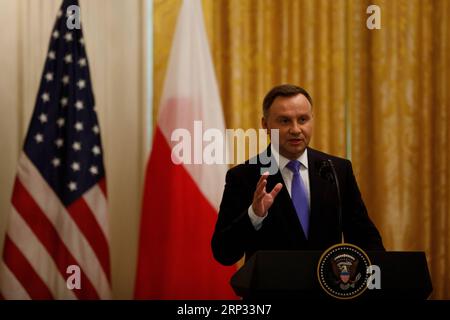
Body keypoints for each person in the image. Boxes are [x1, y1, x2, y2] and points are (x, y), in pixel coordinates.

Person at [211, 84, 384, 266]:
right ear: (265, 125)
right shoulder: (244, 176)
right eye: (285, 121)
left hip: (326, 290)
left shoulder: (337, 170)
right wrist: (253, 215)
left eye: (303, 119)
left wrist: (381, 280)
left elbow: (365, 237)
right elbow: (224, 253)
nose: (295, 129)